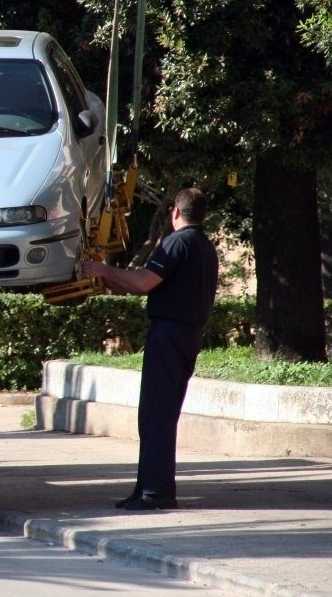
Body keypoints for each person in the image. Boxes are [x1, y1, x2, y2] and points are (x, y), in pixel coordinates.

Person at [81, 186, 219, 511]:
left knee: (155, 415)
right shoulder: (205, 247)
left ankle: (155, 492)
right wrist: (112, 279)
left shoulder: (177, 242)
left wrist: (103, 270)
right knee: (160, 414)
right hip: (188, 335)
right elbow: (145, 285)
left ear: (175, 212)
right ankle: (146, 487)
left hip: (168, 335)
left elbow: (144, 282)